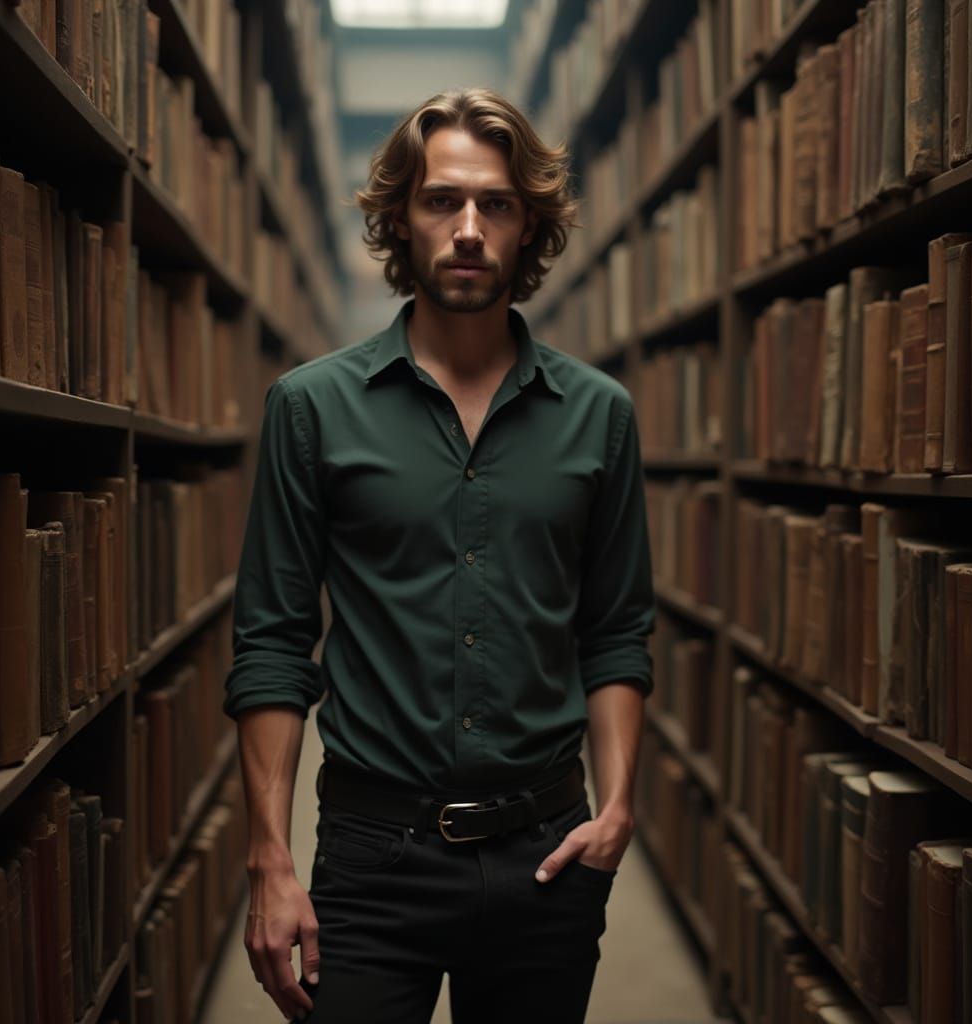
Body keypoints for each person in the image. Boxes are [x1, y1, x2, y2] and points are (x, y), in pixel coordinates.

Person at [223, 87, 656, 1024]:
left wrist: (616, 808)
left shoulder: (600, 415)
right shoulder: (312, 407)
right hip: (373, 856)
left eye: (495, 204)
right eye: (440, 201)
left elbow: (616, 631)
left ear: (528, 224)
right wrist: (268, 858)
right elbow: (271, 641)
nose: (468, 228)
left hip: (549, 850)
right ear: (399, 219)